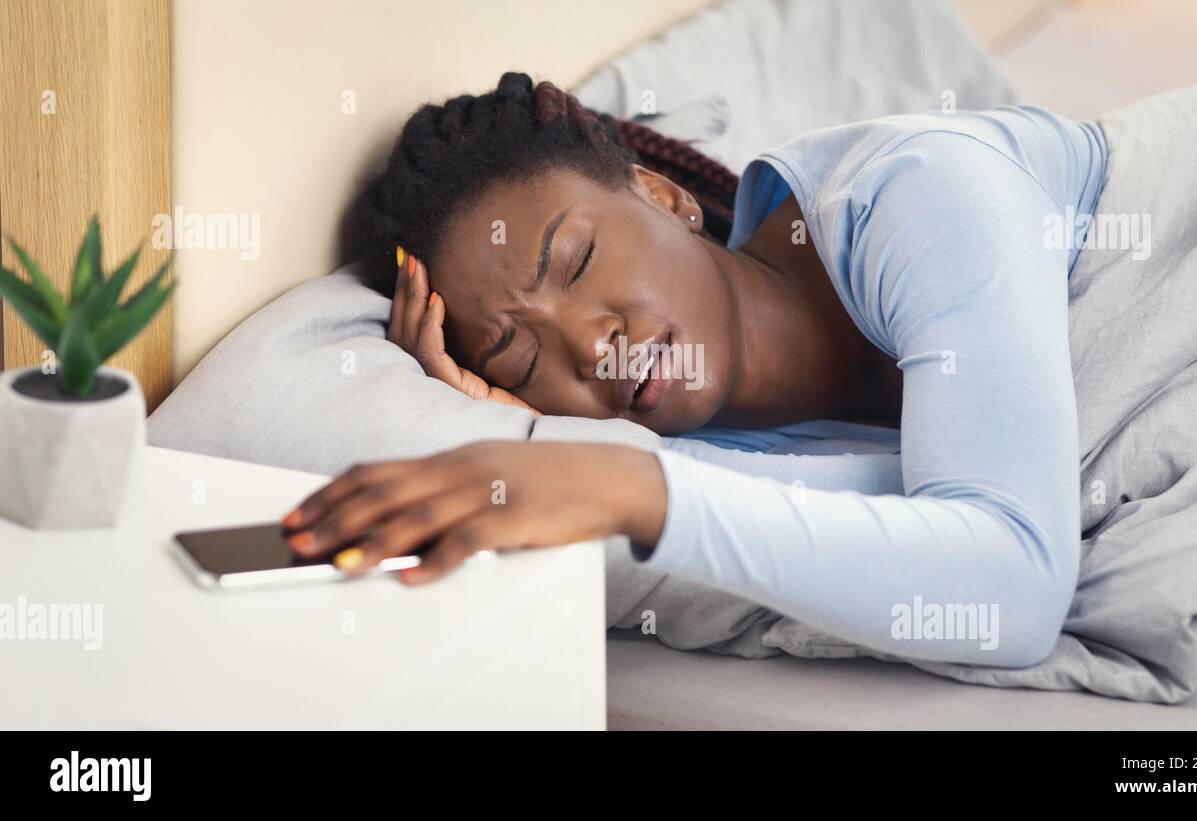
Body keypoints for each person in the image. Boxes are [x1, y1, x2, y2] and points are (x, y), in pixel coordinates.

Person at [281, 71, 1107, 666]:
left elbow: (1015, 589)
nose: (589, 345)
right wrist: (521, 423)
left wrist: (624, 487)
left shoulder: (921, 193)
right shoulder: (743, 442)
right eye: (524, 357)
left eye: (575, 261)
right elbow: (889, 521)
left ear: (662, 194)